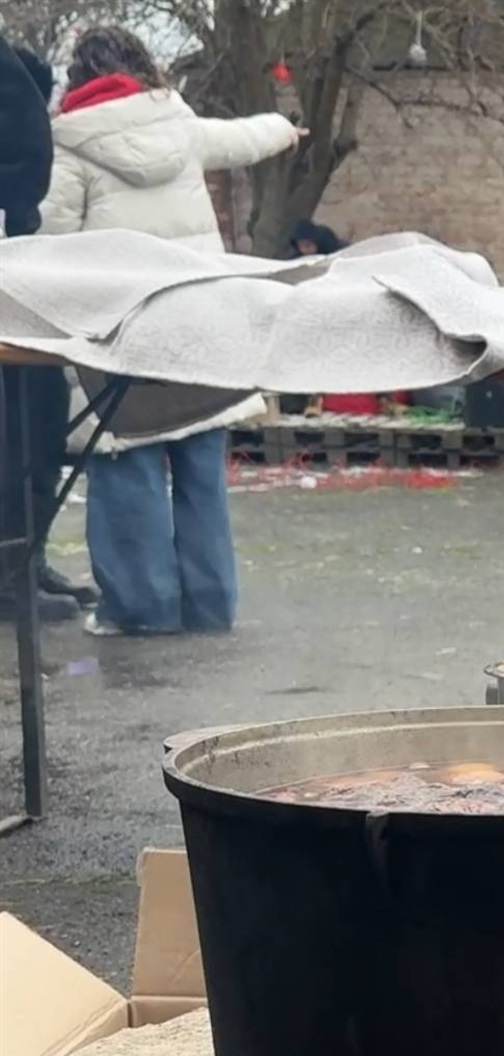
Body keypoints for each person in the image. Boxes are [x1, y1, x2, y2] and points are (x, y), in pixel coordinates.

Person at [39, 25, 302, 635]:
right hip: (197, 327)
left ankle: (142, 610)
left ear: (79, 77)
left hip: (119, 337)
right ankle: (210, 607)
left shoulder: (69, 147)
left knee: (126, 465)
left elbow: (48, 247)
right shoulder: (180, 125)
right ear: (141, 67)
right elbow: (245, 138)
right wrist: (287, 129)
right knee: (200, 465)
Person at [0, 39, 93, 622]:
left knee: (35, 417)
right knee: (20, 425)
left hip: (15, 262)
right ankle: (14, 567)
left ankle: (23, 558)